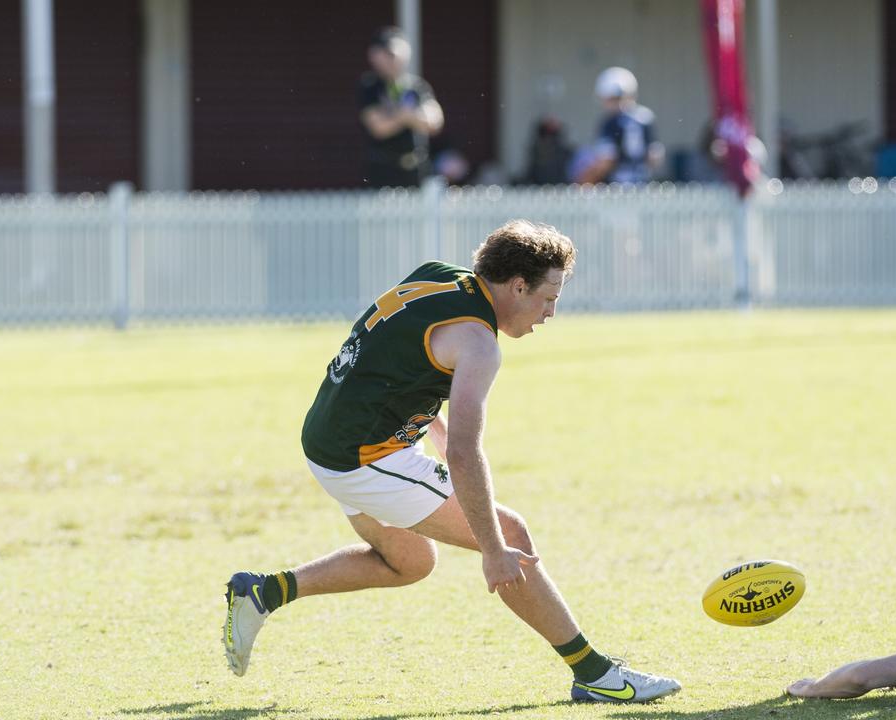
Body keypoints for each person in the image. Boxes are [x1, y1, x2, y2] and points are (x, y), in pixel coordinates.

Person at [222, 220, 681, 704]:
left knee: (410, 561)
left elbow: (396, 357)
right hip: (362, 456)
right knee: (513, 536)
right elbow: (465, 453)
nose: (550, 313)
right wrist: (493, 550)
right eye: (548, 298)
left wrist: (428, 427)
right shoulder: (480, 343)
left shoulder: (441, 274)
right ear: (517, 285)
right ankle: (595, 675)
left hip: (328, 435)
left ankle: (263, 594)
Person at [358, 26, 444, 188]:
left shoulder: (417, 86)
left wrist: (395, 115)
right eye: (388, 54)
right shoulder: (370, 86)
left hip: (416, 170)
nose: (394, 60)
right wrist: (409, 116)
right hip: (383, 172)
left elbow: (435, 122)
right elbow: (379, 128)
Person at [576, 67, 663, 185]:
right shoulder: (645, 117)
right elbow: (655, 157)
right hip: (642, 184)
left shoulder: (611, 122)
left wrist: (585, 181)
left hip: (618, 188)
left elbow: (606, 161)